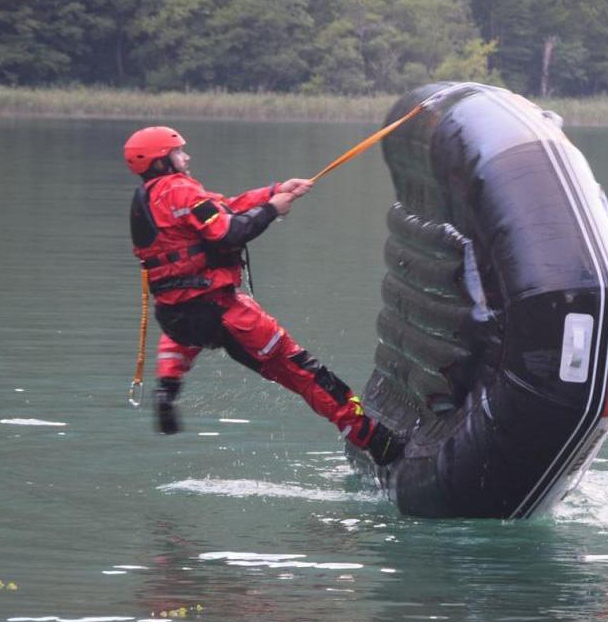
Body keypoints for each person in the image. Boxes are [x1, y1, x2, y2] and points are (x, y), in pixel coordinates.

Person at [123, 126, 404, 465]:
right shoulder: (180, 190)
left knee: (184, 331)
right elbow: (231, 231)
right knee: (304, 371)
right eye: (179, 152)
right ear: (160, 162)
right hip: (219, 310)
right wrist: (272, 210)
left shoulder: (148, 199)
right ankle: (378, 442)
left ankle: (167, 387)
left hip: (177, 316)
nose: (187, 156)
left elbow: (225, 207)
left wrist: (276, 192)